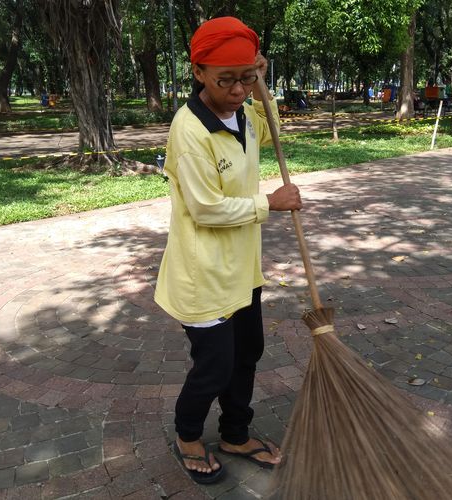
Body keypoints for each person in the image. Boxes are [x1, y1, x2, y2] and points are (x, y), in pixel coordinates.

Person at [154, 16, 298, 485]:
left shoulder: (245, 115)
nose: (238, 90)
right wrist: (269, 203)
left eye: (246, 78)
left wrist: (259, 77)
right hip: (202, 276)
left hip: (242, 269)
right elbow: (206, 208)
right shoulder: (190, 131)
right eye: (226, 79)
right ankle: (188, 435)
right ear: (198, 71)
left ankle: (236, 433)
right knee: (214, 368)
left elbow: (264, 109)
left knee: (247, 355)